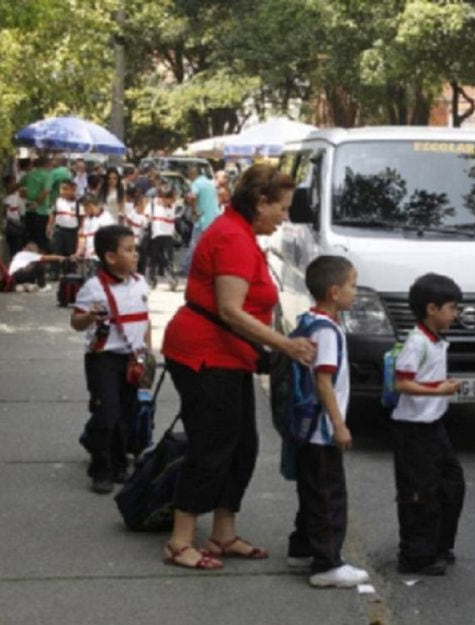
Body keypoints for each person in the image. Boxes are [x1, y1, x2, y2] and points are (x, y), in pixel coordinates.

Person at [158, 163, 315, 570]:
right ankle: (179, 540)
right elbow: (230, 310)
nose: (285, 216)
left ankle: (223, 533)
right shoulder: (231, 237)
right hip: (205, 354)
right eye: (281, 207)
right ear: (260, 202)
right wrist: (286, 345)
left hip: (230, 355)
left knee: (243, 446)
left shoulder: (241, 233)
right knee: (211, 446)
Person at [285, 255, 371, 588]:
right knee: (328, 497)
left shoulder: (308, 320)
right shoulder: (329, 331)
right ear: (334, 291)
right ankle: (327, 563)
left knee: (312, 491)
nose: (355, 291)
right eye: (352, 285)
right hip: (321, 430)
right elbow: (324, 382)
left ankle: (303, 548)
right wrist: (339, 424)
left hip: (305, 427)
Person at [391, 273, 465, 576]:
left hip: (434, 425)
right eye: (452, 308)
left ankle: (439, 544)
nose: (456, 314)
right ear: (432, 309)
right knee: (420, 493)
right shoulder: (417, 342)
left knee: (451, 485)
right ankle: (415, 555)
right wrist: (439, 391)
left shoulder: (436, 340)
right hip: (414, 429)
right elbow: (402, 384)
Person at [70, 225, 150, 493]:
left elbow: (144, 321)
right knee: (106, 412)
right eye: (128, 250)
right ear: (110, 257)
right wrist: (90, 316)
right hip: (103, 358)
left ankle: (119, 463)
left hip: (131, 359)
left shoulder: (140, 282)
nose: (135, 254)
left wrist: (147, 354)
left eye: (134, 249)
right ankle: (100, 469)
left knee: (126, 414)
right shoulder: (93, 287)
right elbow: (76, 323)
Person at [182, 165, 221, 275]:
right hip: (214, 217)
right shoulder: (210, 183)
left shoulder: (196, 183)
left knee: (194, 243)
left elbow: (193, 196)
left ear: (191, 175)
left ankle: (186, 267)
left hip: (202, 219)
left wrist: (193, 210)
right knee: (210, 245)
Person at [147, 186, 179, 290]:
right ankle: (151, 280)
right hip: (155, 235)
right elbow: (146, 215)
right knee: (153, 259)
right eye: (164, 198)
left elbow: (177, 199)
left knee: (168, 259)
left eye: (168, 198)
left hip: (167, 236)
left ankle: (171, 280)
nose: (165, 201)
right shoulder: (152, 205)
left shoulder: (172, 206)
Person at [47, 180, 81, 272]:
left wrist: (81, 231)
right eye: (62, 189)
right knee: (56, 250)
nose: (63, 191)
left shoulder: (78, 203)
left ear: (72, 190)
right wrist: (49, 227)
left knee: (70, 252)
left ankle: (70, 271)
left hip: (72, 231)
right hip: (59, 230)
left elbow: (81, 219)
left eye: (66, 189)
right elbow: (52, 214)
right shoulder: (57, 201)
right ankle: (54, 271)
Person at [21, 156, 53, 251]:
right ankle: (40, 258)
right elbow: (46, 191)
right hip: (41, 210)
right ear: (46, 164)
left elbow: (20, 186)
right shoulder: (47, 175)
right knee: (41, 237)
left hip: (28, 208)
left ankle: (29, 256)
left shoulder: (29, 174)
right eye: (50, 164)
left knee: (30, 235)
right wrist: (37, 203)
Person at [75, 195, 116, 265]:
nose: (84, 211)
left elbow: (109, 240)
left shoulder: (107, 218)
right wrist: (78, 252)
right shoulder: (87, 220)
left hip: (100, 258)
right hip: (88, 258)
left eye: (85, 208)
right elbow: (83, 238)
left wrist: (96, 251)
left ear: (90, 206)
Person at [2, 175, 25, 257]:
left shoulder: (15, 196)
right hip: (12, 225)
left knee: (17, 247)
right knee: (14, 248)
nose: (15, 184)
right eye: (12, 182)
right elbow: (5, 212)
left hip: (17, 223)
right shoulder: (8, 198)